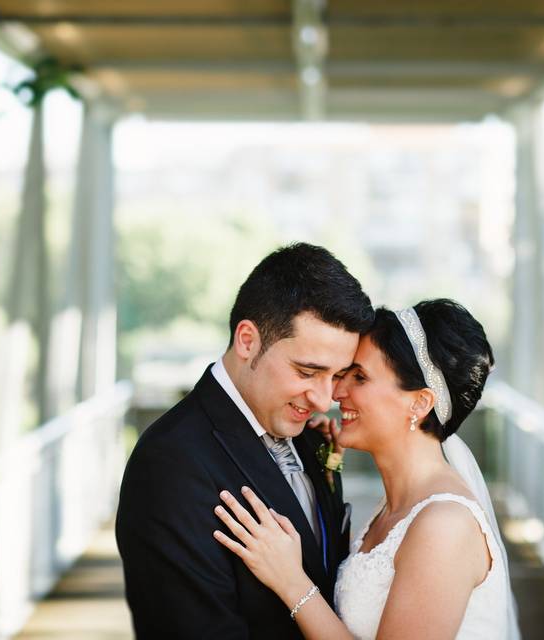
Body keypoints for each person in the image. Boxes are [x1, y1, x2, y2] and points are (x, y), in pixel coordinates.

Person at [213, 300, 521, 639]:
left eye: (359, 376)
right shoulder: (395, 507)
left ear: (419, 402)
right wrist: (326, 474)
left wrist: (291, 581)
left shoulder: (444, 526)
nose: (336, 392)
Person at [115, 243, 374, 638]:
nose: (325, 400)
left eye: (337, 376)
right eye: (307, 372)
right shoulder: (171, 464)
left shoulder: (309, 436)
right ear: (248, 340)